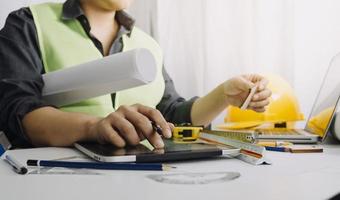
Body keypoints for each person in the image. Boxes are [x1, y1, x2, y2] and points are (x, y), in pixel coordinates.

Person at [0, 0, 271, 149]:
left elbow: (172, 115)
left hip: (141, 177)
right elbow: (17, 111)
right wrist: (95, 127)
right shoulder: (29, 23)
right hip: (51, 180)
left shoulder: (148, 44)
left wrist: (223, 95)